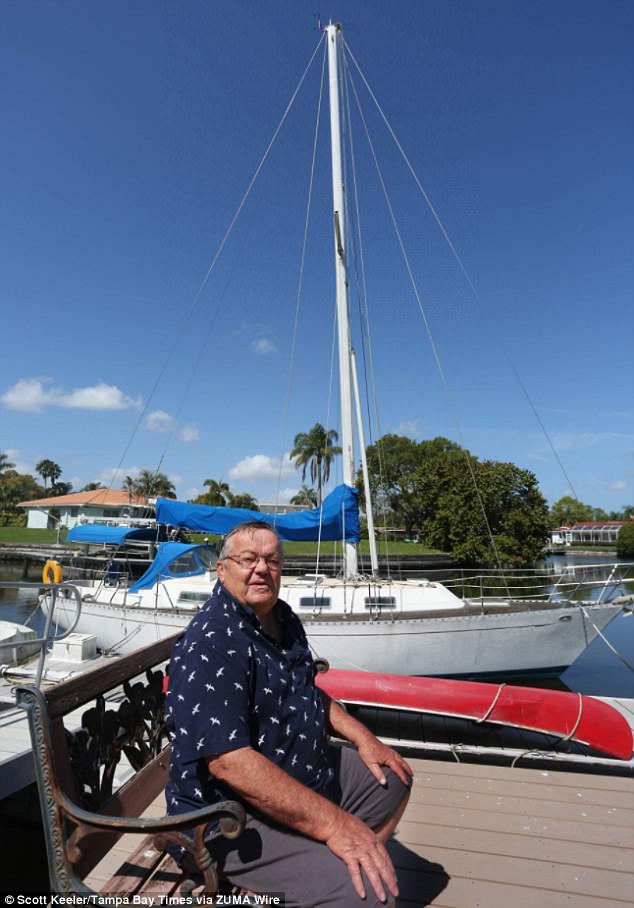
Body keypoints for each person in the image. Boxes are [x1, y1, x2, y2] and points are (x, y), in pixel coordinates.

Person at [165, 520, 413, 908]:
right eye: (248, 559)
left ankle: (338, 864)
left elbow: (306, 691)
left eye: (272, 560)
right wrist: (334, 824)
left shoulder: (281, 618)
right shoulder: (211, 643)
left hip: (300, 769)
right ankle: (333, 877)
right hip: (228, 814)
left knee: (393, 777)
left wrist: (365, 739)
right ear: (221, 569)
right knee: (366, 896)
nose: (261, 568)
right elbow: (229, 764)